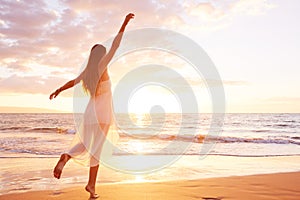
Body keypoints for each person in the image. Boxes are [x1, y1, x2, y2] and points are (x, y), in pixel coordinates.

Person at [49, 13, 134, 199]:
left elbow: (73, 82)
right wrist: (124, 23)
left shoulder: (87, 71)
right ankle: (91, 186)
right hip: (102, 114)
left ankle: (67, 157)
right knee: (96, 149)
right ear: (101, 55)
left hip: (90, 114)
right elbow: (116, 45)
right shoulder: (102, 65)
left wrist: (58, 90)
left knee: (86, 144)